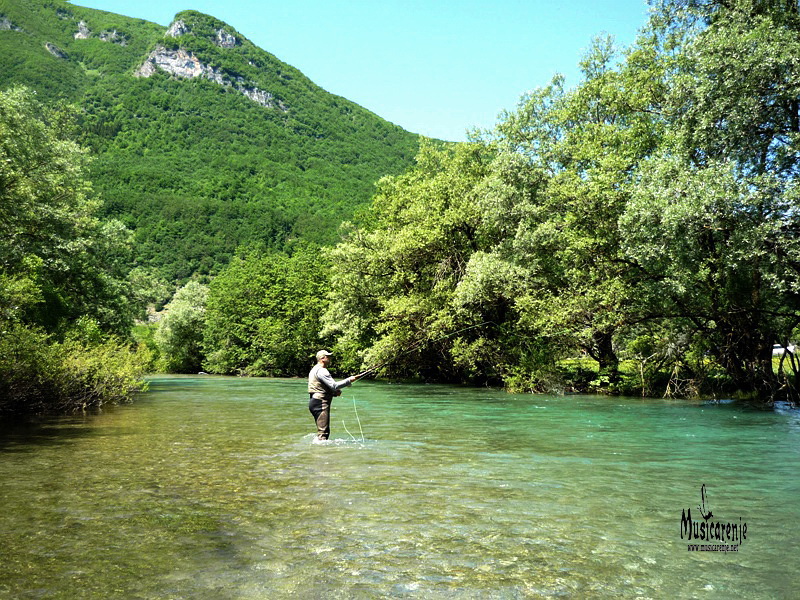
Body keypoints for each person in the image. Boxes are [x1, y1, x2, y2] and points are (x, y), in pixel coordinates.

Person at [308, 350, 359, 441]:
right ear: (322, 358)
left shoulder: (315, 369)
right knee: (323, 434)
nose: (330, 358)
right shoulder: (322, 370)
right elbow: (334, 385)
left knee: (322, 432)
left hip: (315, 402)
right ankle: (321, 453)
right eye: (328, 356)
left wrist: (334, 393)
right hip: (321, 403)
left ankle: (319, 451)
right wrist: (349, 380)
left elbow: (320, 387)